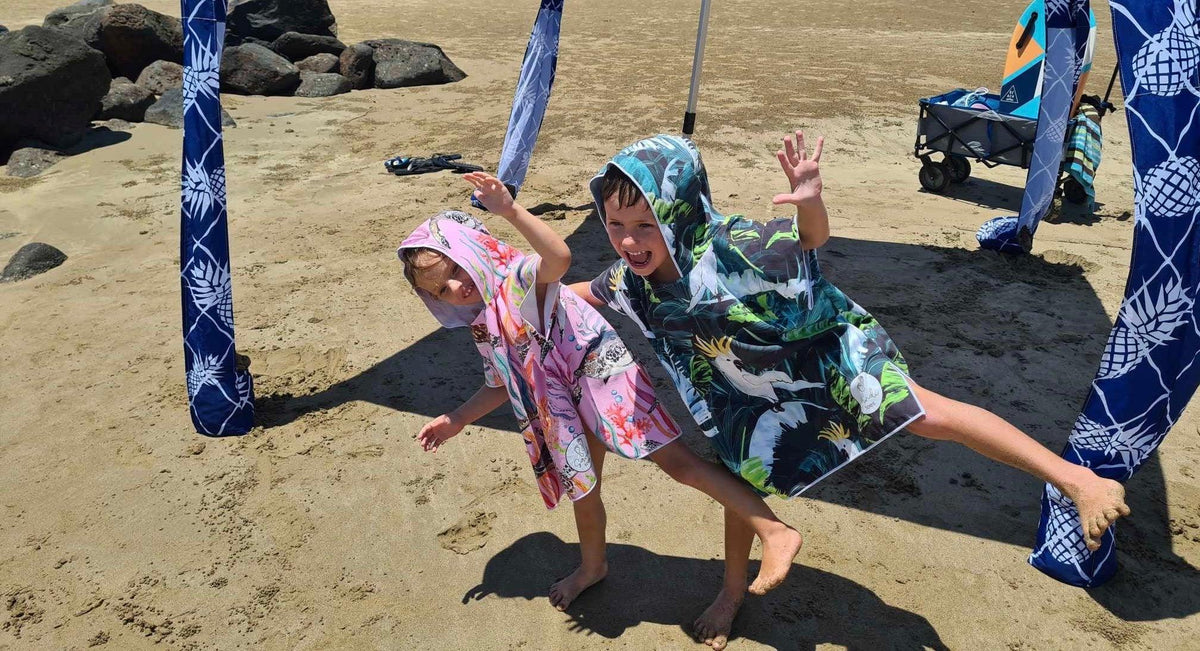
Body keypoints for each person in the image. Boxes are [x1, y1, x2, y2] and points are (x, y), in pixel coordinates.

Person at [568, 132, 1131, 649]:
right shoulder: (630, 284)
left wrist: (809, 197)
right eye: (615, 225)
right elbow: (578, 293)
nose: (628, 241)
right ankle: (733, 590)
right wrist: (513, 279)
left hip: (828, 350)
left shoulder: (731, 244)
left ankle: (1076, 480)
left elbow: (810, 237)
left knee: (927, 413)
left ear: (677, 211)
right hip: (750, 387)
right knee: (739, 470)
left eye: (646, 225)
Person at [399, 172, 802, 623]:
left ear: (473, 250)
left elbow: (559, 256)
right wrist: (455, 419)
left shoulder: (519, 279)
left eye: (455, 269)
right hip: (562, 405)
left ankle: (773, 530)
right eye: (441, 288)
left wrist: (511, 211)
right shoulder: (483, 324)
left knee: (679, 464)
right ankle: (593, 566)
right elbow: (499, 383)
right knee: (583, 488)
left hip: (603, 377)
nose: (456, 286)